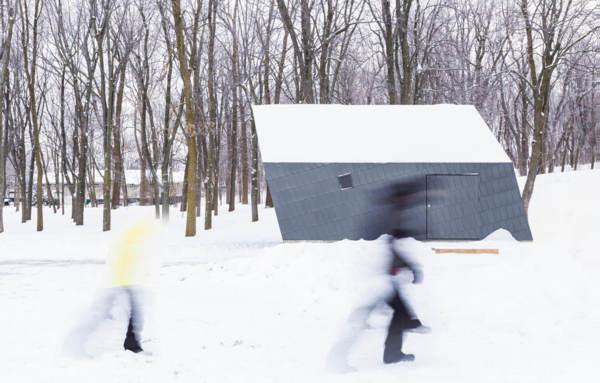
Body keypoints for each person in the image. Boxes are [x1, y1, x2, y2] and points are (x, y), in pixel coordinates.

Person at [65, 219, 160, 357]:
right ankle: (78, 341)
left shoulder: (129, 243)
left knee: (125, 316)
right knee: (103, 317)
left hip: (123, 283)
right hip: (120, 284)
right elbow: (123, 265)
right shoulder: (130, 244)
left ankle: (130, 345)